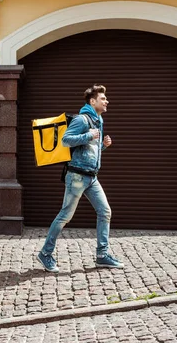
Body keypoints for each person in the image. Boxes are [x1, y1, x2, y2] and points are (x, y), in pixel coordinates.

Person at [37, 84, 123, 272]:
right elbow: (65, 140)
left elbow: (89, 149)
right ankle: (45, 253)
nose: (107, 101)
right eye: (103, 99)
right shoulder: (83, 120)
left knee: (105, 211)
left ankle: (102, 255)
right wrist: (88, 135)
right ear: (93, 101)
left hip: (91, 177)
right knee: (65, 216)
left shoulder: (98, 120)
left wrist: (103, 145)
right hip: (76, 176)